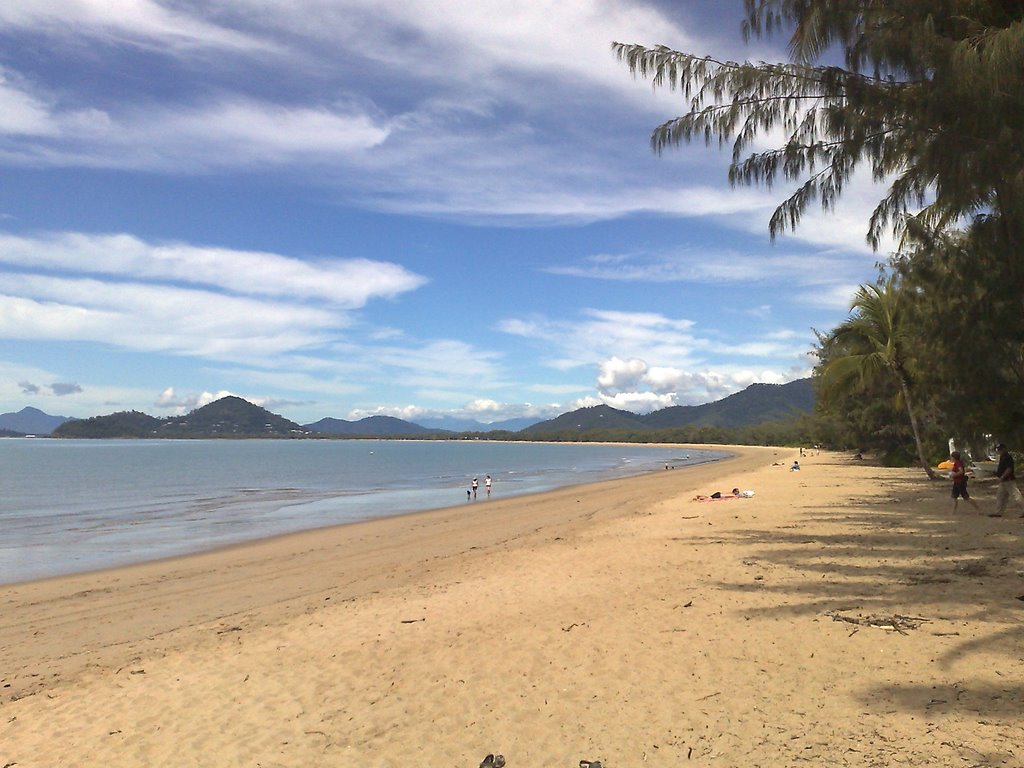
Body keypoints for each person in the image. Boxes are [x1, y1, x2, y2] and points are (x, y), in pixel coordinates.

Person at [993, 443, 1024, 516]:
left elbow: (1009, 468)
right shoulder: (1002, 457)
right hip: (1004, 481)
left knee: (1016, 496)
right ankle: (999, 512)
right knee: (1000, 496)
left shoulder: (1007, 457)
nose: (999, 451)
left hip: (1009, 480)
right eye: (998, 449)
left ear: (1004, 449)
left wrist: (1003, 476)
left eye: (1000, 449)